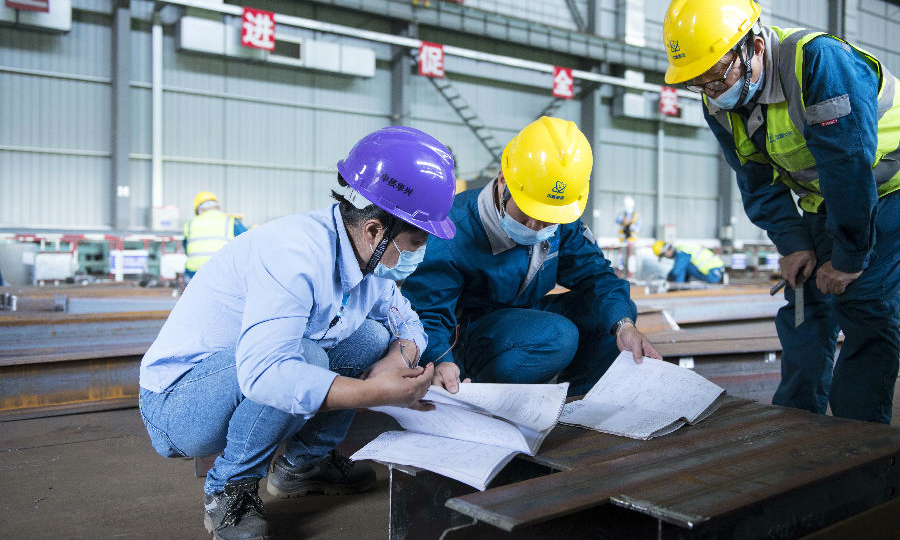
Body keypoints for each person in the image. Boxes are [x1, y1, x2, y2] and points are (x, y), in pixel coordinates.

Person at [138, 126, 457, 540]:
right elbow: (267, 372)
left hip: (233, 379)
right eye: (414, 243)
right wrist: (375, 394)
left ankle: (305, 464)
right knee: (306, 358)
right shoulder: (294, 254)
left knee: (373, 340)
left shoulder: (367, 265)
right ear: (376, 230)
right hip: (177, 405)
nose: (416, 255)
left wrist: (400, 359)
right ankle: (229, 489)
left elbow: (407, 323)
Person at [662, 0, 900, 423]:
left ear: (753, 47)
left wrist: (847, 259)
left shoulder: (819, 62)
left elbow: (847, 165)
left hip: (891, 192)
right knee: (806, 299)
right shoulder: (719, 102)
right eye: (697, 83)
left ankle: (858, 443)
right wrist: (793, 245)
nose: (711, 92)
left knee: (866, 305)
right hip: (830, 200)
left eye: (716, 76)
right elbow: (756, 182)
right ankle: (796, 423)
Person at [401, 116, 661, 398]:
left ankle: (575, 402)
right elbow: (428, 312)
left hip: (522, 317)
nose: (537, 227)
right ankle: (483, 395)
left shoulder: (562, 221)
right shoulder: (453, 229)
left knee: (611, 315)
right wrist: (442, 361)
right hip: (467, 333)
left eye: (549, 218)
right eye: (528, 212)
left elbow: (598, 277)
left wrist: (624, 325)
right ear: (503, 181)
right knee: (556, 336)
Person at [183, 191, 248, 281]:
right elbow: (247, 244)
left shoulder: (190, 224)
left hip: (194, 273)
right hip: (222, 271)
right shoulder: (231, 222)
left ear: (198, 210)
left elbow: (186, 249)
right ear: (218, 207)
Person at [653, 240, 725, 284]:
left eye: (664, 255)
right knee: (682, 266)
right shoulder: (681, 249)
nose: (666, 257)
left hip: (713, 273)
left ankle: (679, 289)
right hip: (713, 272)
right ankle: (680, 287)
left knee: (682, 266)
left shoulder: (681, 252)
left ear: (666, 251)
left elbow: (677, 271)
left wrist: (668, 277)